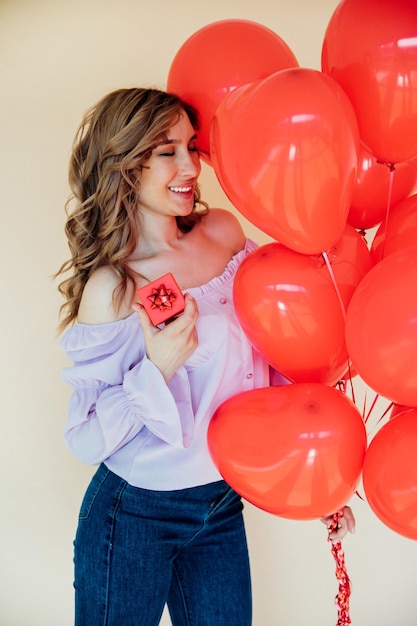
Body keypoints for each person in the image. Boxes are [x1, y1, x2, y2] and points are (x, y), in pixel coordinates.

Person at [56, 87, 355, 626]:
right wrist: (158, 367)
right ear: (125, 164)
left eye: (192, 146)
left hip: (221, 501)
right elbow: (86, 436)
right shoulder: (113, 286)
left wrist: (321, 479)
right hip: (135, 512)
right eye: (166, 150)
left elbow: (275, 351)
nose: (190, 165)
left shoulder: (222, 234)